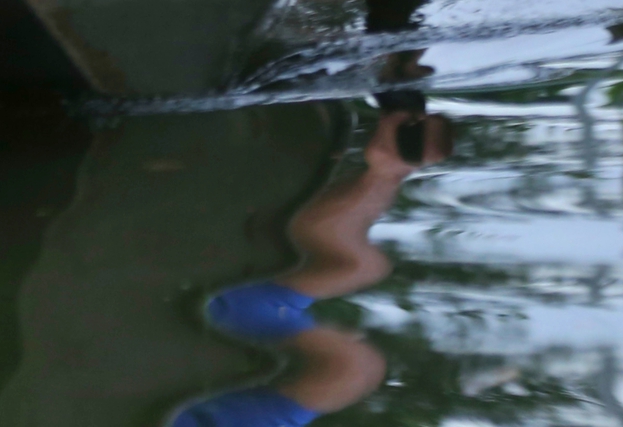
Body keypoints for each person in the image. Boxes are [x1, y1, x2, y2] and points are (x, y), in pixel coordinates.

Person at [175, 104, 453, 427]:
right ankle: (389, 167)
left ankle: (388, 167)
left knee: (354, 364)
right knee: (361, 272)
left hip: (221, 314)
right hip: (246, 309)